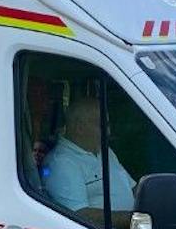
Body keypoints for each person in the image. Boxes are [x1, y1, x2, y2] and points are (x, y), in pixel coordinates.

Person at [43, 94, 137, 222]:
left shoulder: (105, 151)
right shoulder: (61, 163)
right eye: (102, 125)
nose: (108, 132)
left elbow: (132, 188)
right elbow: (80, 215)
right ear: (80, 128)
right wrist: (135, 219)